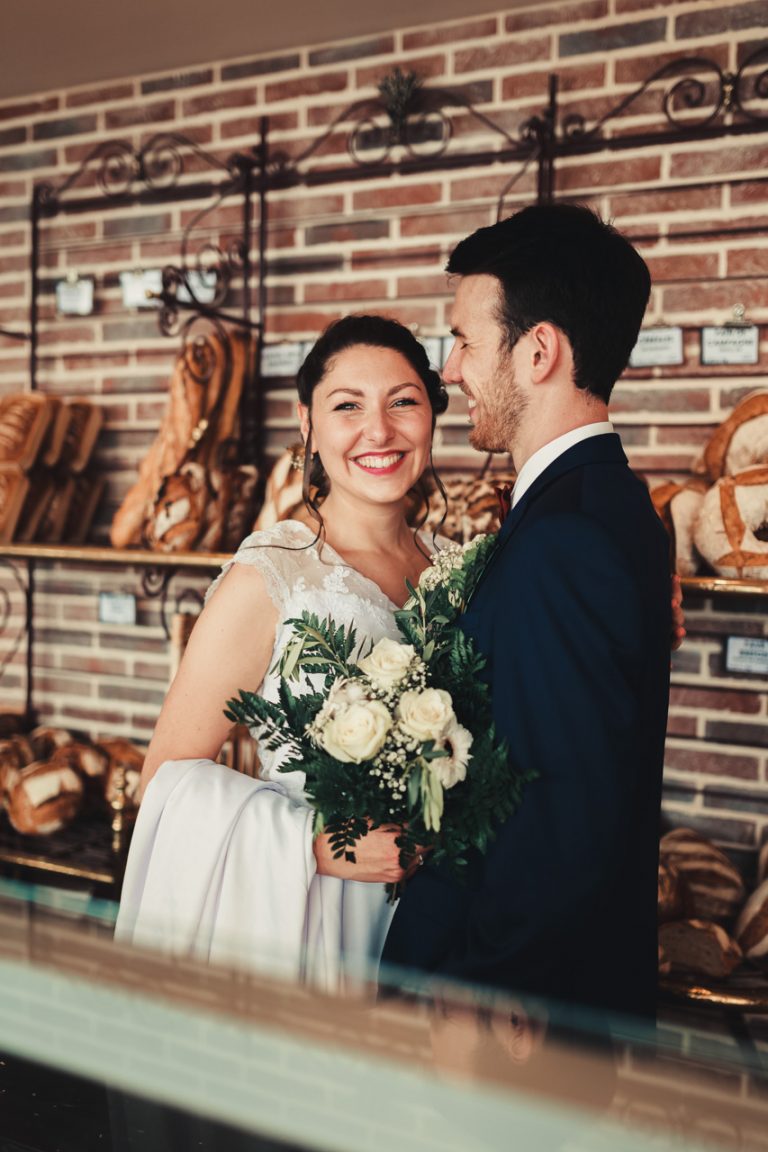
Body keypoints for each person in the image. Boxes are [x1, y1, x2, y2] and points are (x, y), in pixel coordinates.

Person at [381, 203, 673, 1022]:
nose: (449, 368)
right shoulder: (609, 503)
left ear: (538, 351)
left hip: (518, 1026)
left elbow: (559, 824)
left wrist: (470, 1003)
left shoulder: (567, 536)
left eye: (467, 341)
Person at [115, 314, 449, 991]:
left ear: (432, 417)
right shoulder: (271, 576)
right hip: (311, 922)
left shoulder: (455, 570)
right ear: (308, 426)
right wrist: (320, 849)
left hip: (439, 926)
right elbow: (162, 784)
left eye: (403, 401)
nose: (378, 431)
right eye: (347, 405)